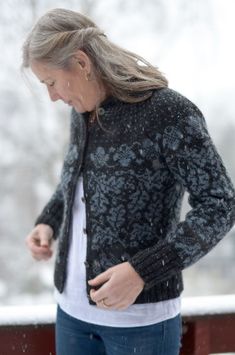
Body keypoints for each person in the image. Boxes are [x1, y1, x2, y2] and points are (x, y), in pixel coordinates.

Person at [23, 8, 235, 355]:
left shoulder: (169, 113)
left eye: (51, 82)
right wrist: (49, 220)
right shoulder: (81, 112)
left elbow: (220, 205)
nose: (52, 96)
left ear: (81, 63)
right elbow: (73, 178)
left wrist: (142, 271)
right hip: (71, 314)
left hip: (141, 324)